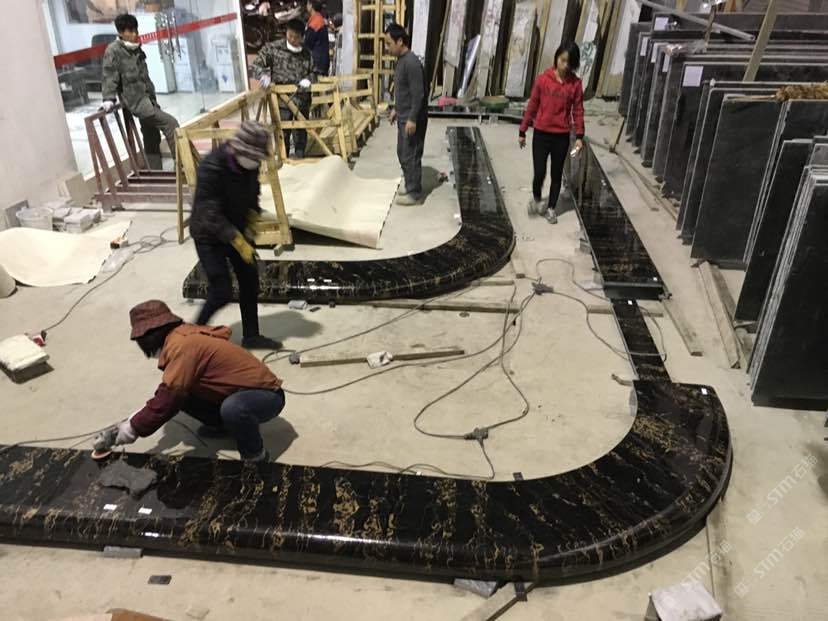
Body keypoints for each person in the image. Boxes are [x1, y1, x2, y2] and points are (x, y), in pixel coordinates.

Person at [94, 300, 285, 462]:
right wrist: (129, 422)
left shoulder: (183, 347)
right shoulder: (180, 336)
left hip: (268, 396)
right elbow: (167, 393)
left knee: (232, 408)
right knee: (182, 395)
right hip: (240, 392)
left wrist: (128, 431)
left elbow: (166, 401)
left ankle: (255, 456)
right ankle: (226, 426)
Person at [189, 121, 279, 351]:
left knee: (250, 280)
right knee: (221, 290)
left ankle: (251, 336)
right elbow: (209, 212)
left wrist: (252, 219)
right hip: (209, 233)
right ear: (240, 150)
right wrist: (237, 240)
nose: (257, 163)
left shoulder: (249, 164)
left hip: (236, 228)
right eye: (254, 157)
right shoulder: (212, 166)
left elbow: (253, 191)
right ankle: (191, 336)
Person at [518, 42, 585, 224]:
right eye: (562, 60)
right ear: (557, 57)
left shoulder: (575, 85)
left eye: (569, 63)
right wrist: (523, 130)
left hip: (561, 137)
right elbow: (532, 105)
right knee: (539, 172)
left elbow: (578, 111)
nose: (565, 65)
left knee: (556, 174)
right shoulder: (543, 80)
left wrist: (579, 136)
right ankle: (537, 198)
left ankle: (551, 208)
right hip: (541, 134)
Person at [101, 13, 179, 168]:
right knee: (171, 124)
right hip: (136, 102)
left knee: (151, 135)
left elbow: (144, 76)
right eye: (130, 31)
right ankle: (183, 166)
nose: (134, 34)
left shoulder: (135, 48)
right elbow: (109, 75)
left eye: (135, 30)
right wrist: (108, 98)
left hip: (148, 99)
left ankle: (156, 174)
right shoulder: (114, 51)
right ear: (121, 32)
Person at [251, 18, 315, 159]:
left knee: (301, 132)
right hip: (281, 102)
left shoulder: (306, 54)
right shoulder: (274, 49)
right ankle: (283, 161)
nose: (292, 40)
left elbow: (315, 72)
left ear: (302, 37)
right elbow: (255, 66)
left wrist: (309, 79)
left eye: (296, 37)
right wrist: (263, 75)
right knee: (281, 133)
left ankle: (300, 158)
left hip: (302, 101)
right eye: (290, 35)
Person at [384, 23, 428, 206]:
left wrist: (412, 118)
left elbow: (418, 94)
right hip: (403, 116)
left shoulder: (412, 63)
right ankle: (410, 184)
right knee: (402, 152)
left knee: (411, 154)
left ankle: (415, 193)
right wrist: (396, 109)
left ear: (400, 41)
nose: (387, 48)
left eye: (389, 44)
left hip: (412, 119)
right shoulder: (401, 61)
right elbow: (403, 90)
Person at [304, 1, 330, 76]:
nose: (306, 6)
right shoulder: (319, 19)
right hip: (321, 61)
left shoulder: (315, 22)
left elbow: (308, 43)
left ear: (311, 5)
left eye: (307, 3)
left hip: (317, 63)